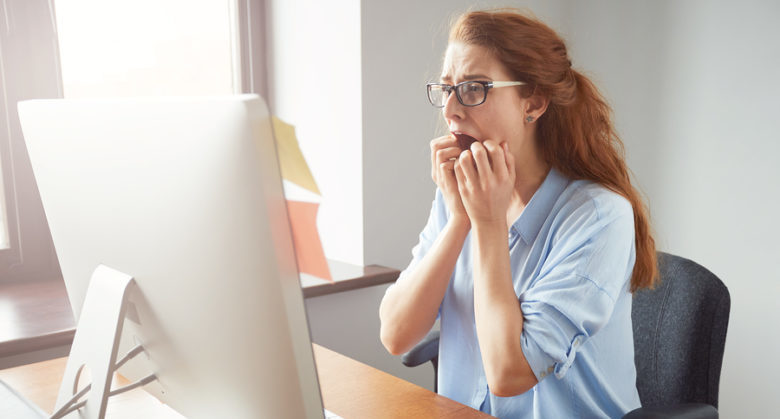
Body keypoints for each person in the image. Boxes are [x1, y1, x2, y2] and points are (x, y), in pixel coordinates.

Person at [379, 9, 657, 419]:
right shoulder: (461, 195)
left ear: (535, 101)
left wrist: (488, 224)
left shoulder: (599, 218)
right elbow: (396, 335)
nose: (451, 110)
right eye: (447, 88)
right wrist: (460, 219)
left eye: (474, 89)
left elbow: (510, 374)